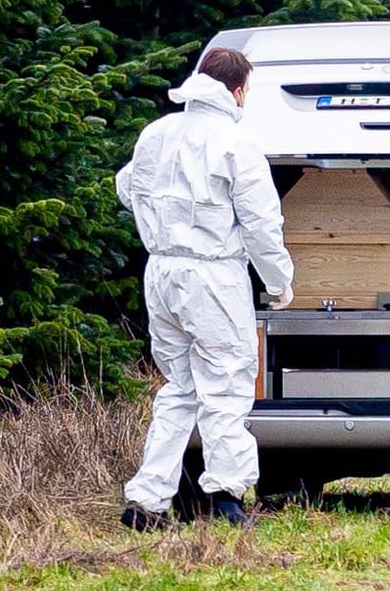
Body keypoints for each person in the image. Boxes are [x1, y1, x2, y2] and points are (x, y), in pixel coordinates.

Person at [116, 48, 294, 530]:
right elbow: (260, 222)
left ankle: (147, 502)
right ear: (237, 91)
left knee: (181, 390)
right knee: (227, 386)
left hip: (162, 273)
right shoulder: (235, 142)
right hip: (213, 275)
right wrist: (279, 281)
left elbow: (126, 186)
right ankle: (227, 499)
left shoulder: (156, 133)